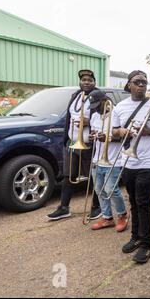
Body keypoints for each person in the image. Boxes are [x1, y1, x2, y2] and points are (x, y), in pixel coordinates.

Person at [113, 70, 150, 264]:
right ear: (128, 85)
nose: (141, 85)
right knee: (133, 200)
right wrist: (122, 131)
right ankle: (136, 237)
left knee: (144, 202)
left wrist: (149, 131)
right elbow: (113, 132)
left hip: (149, 161)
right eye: (137, 82)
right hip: (128, 160)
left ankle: (146, 244)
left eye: (144, 82)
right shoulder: (120, 107)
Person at [46, 69, 101, 221]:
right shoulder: (76, 95)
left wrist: (89, 122)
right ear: (80, 81)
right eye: (84, 80)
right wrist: (66, 140)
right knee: (68, 176)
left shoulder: (100, 96)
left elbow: (108, 118)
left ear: (94, 82)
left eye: (90, 80)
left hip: (90, 144)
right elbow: (69, 118)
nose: (86, 82)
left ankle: (97, 207)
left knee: (94, 177)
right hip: (72, 143)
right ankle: (64, 207)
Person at [87, 90, 129, 232]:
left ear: (106, 100)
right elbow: (93, 134)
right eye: (94, 106)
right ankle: (107, 217)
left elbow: (126, 137)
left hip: (113, 159)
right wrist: (92, 137)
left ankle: (122, 214)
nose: (96, 109)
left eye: (98, 105)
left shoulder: (118, 113)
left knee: (111, 189)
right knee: (99, 189)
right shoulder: (94, 116)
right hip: (97, 159)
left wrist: (109, 138)